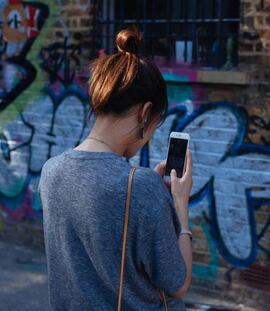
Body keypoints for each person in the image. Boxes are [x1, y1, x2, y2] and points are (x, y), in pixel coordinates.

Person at [38, 27, 193, 310]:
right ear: (144, 113)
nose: (148, 137)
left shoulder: (51, 172)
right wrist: (180, 204)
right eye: (155, 126)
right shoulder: (142, 187)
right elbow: (178, 284)